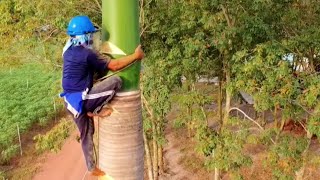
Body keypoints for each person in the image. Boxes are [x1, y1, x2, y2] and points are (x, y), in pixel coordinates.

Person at [60, 15, 144, 177]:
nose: (92, 38)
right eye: (90, 35)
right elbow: (114, 65)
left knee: (87, 134)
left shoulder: (68, 51)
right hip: (82, 101)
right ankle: (96, 108)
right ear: (84, 36)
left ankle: (92, 168)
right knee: (116, 81)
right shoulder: (86, 54)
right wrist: (136, 56)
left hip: (70, 102)